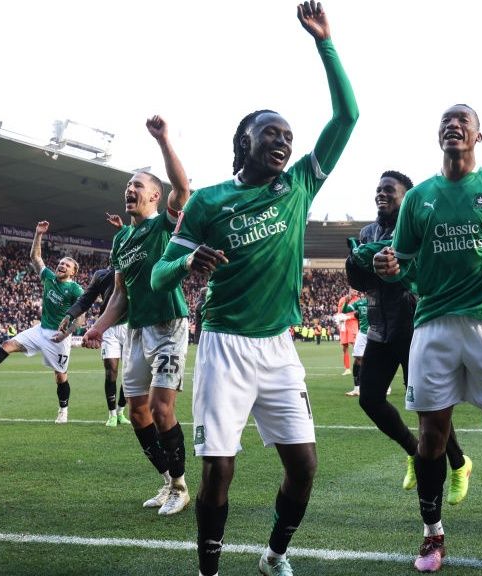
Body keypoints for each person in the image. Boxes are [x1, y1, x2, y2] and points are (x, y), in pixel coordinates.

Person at [150, 3, 358, 574]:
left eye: (288, 136)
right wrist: (189, 258)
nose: (284, 142)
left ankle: (273, 555)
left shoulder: (298, 187)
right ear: (243, 142)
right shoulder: (209, 202)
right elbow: (159, 273)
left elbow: (348, 117)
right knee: (219, 469)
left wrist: (325, 43)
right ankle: (209, 570)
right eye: (271, 133)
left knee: (305, 465)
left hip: (278, 347)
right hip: (224, 345)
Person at [374, 104, 482, 574]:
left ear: (478, 136)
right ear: (438, 136)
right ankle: (432, 535)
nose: (454, 126)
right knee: (432, 437)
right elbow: (405, 266)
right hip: (433, 326)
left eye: (463, 121)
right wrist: (392, 268)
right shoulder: (419, 199)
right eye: (447, 121)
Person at [82, 115, 193, 516]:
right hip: (136, 331)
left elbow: (183, 189)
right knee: (137, 411)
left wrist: (164, 140)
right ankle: (167, 481)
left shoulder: (164, 224)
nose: (130, 190)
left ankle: (181, 487)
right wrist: (97, 327)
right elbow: (120, 294)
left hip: (169, 324)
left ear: (154, 197)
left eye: (138, 186)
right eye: (128, 185)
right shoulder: (121, 239)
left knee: (163, 408)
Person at [345, 170, 472, 503]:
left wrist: (375, 256)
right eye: (378, 189)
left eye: (390, 190)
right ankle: (414, 451)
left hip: (415, 327)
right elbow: (361, 282)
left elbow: (408, 275)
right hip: (379, 329)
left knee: (430, 406)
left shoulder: (418, 229)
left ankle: (458, 464)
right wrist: (355, 261)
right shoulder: (367, 231)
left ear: (407, 198)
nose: (381, 194)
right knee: (369, 399)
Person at [0, 221, 83, 423]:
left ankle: (63, 409)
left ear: (73, 272)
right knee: (7, 345)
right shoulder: (49, 277)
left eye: (67, 264)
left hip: (59, 338)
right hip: (40, 330)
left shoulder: (76, 290)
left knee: (60, 376)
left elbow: (81, 319)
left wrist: (66, 334)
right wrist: (38, 234)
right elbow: (36, 257)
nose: (61, 265)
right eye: (61, 262)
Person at [58, 213, 131, 428]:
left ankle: (121, 411)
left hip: (130, 326)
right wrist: (70, 313)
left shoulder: (131, 271)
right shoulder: (100, 275)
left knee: (129, 374)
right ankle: (110, 414)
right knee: (111, 371)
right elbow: (86, 299)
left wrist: (122, 229)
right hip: (107, 328)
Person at [341, 290, 367, 396]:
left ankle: (386, 386)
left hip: (376, 332)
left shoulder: (380, 300)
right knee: (358, 359)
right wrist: (346, 302)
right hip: (363, 333)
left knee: (379, 360)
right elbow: (345, 311)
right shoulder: (360, 302)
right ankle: (357, 389)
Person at [336, 289, 359, 375]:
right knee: (344, 347)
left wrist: (349, 317)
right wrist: (339, 319)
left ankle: (360, 366)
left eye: (357, 292)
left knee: (355, 346)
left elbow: (358, 314)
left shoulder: (358, 300)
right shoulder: (342, 299)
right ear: (350, 291)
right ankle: (347, 368)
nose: (356, 293)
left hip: (353, 324)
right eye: (354, 291)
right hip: (343, 324)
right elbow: (339, 312)